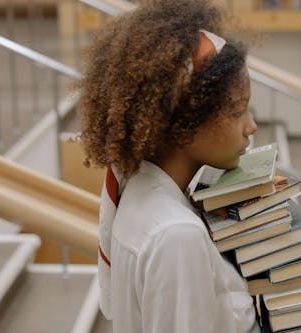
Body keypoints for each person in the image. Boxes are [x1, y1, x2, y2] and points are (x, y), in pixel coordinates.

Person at [79, 0, 260, 332]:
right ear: (186, 122)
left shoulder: (144, 193)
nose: (251, 126)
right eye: (237, 112)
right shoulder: (176, 236)